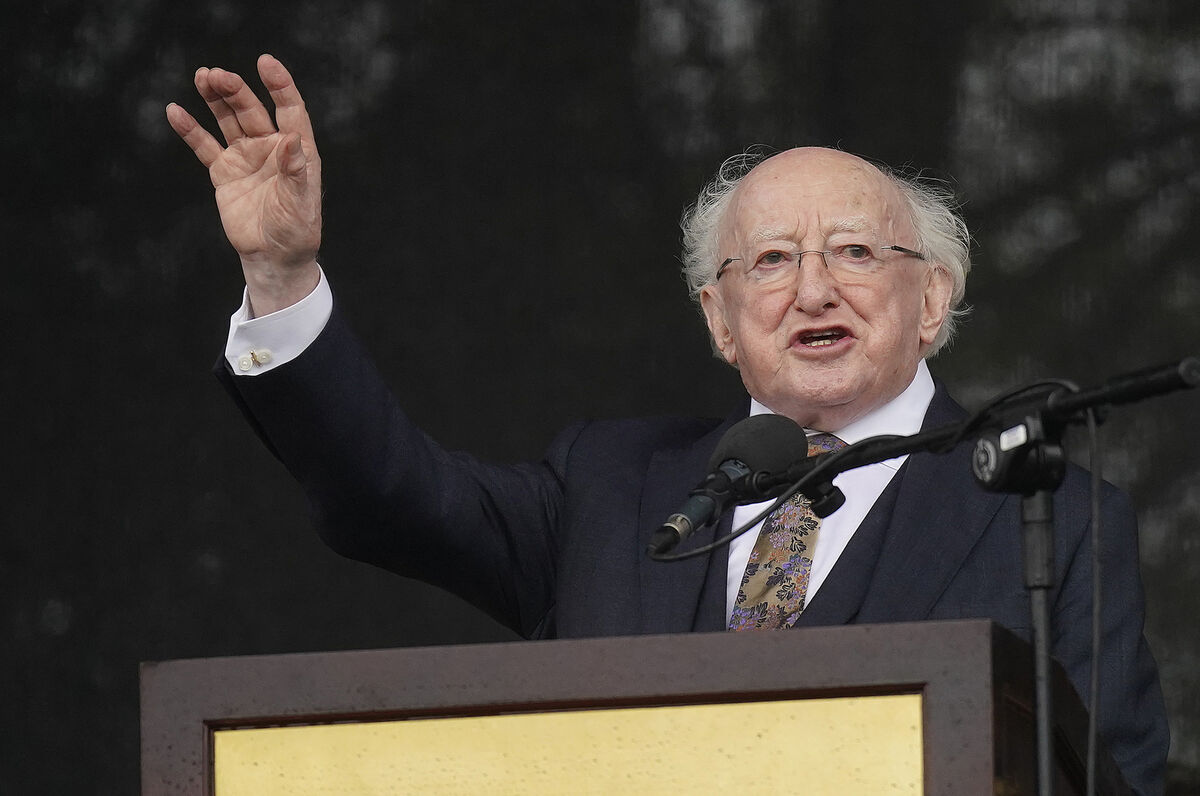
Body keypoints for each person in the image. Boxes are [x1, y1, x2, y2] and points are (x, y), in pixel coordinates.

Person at [167, 54, 1168, 793]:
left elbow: (1113, 777)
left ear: (934, 299)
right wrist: (282, 275)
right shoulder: (610, 483)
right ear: (718, 320)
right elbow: (388, 494)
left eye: (856, 251)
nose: (813, 286)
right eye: (770, 261)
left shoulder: (1055, 516)